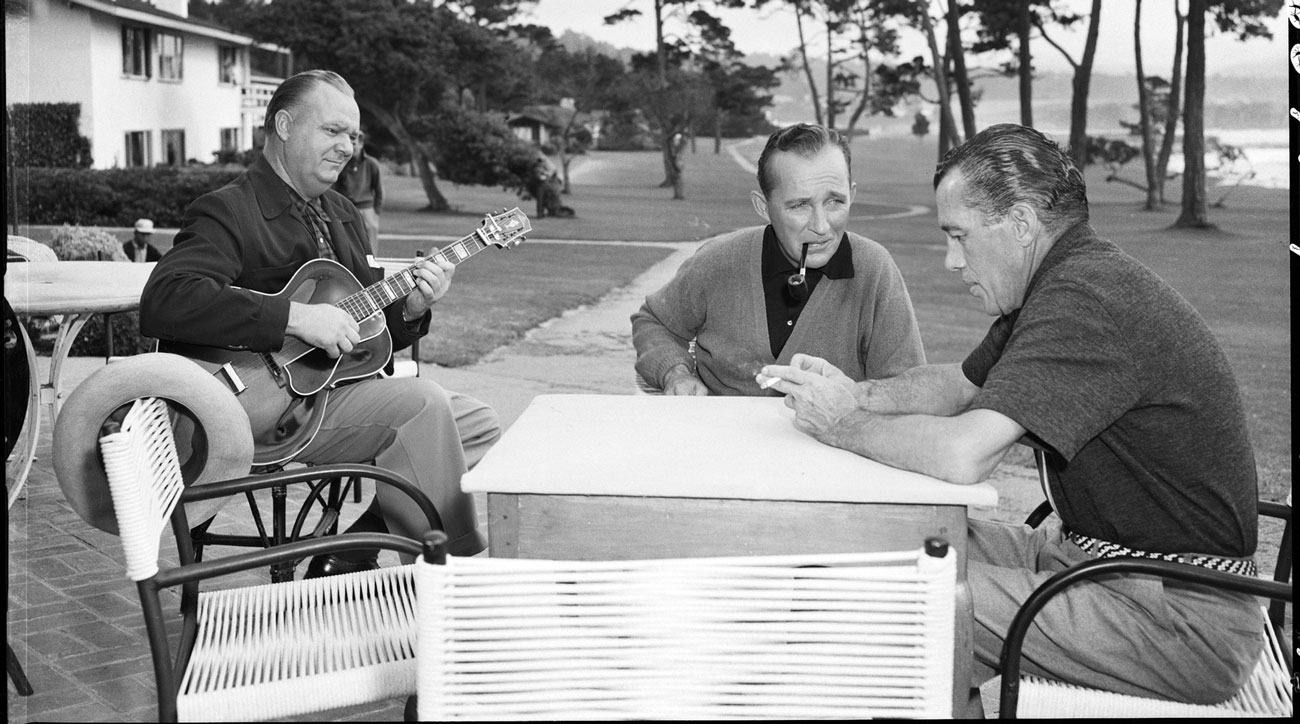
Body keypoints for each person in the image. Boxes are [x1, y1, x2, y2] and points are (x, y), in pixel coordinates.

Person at [758, 124, 1262, 708]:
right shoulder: (1063, 283)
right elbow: (956, 387)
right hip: (1102, 565)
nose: (951, 260)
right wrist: (854, 393)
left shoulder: (1084, 301)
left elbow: (963, 455)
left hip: (1182, 618)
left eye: (959, 236)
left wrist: (842, 425)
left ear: (1020, 225)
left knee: (898, 596)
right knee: (897, 540)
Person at [140, 70, 501, 574]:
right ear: (284, 125)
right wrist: (294, 317)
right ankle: (457, 571)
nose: (347, 148)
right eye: (333, 131)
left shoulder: (342, 214)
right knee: (424, 406)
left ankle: (350, 547)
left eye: (352, 136)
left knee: (480, 423)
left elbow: (371, 335)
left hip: (336, 390)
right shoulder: (229, 210)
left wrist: (414, 308)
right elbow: (166, 300)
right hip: (262, 407)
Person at [632, 122, 925, 396]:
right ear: (763, 207)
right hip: (723, 443)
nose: (822, 226)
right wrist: (675, 372)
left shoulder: (875, 270)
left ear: (852, 194)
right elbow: (654, 322)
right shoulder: (719, 260)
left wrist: (849, 397)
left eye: (835, 201)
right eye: (799, 205)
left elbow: (906, 388)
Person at [331, 129, 383, 250]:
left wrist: (376, 212)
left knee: (370, 243)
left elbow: (378, 190)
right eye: (350, 144)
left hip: (367, 209)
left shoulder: (372, 164)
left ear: (361, 144)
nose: (352, 148)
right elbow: (335, 187)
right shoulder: (341, 163)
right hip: (346, 207)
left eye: (354, 144)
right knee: (348, 242)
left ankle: (372, 266)